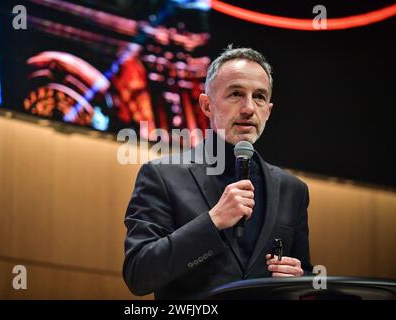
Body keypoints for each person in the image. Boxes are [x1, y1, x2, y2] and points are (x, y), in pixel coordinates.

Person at [123, 46, 312, 299]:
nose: (248, 108)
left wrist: (299, 281)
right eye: (236, 94)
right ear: (207, 105)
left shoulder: (293, 190)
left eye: (259, 97)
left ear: (268, 110)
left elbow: (306, 280)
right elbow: (139, 274)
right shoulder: (161, 176)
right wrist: (213, 222)